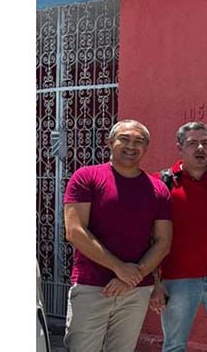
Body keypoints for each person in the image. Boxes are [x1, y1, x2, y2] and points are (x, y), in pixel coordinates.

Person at [63, 119, 172, 352]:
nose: (131, 146)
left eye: (139, 141)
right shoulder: (86, 177)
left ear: (146, 148)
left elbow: (163, 242)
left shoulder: (158, 188)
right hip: (92, 286)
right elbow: (75, 231)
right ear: (110, 142)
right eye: (124, 139)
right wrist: (119, 268)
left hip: (135, 290)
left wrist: (131, 276)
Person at [148, 122, 207, 352]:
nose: (200, 148)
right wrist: (154, 282)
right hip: (176, 280)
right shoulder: (162, 182)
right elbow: (148, 237)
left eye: (205, 142)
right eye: (192, 143)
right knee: (174, 345)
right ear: (179, 146)